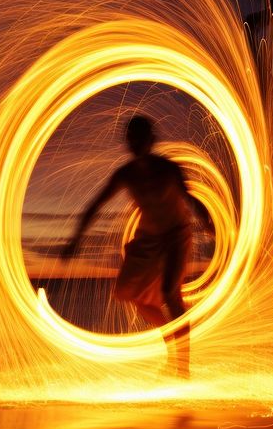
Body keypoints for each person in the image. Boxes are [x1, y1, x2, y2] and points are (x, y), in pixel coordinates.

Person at [60, 115, 212, 378]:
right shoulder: (125, 174)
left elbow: (189, 197)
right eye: (132, 139)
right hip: (147, 238)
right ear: (128, 143)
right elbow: (95, 206)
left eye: (141, 138)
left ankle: (182, 367)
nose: (136, 143)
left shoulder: (168, 168)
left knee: (169, 293)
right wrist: (75, 239)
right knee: (129, 293)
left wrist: (207, 221)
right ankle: (172, 338)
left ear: (151, 141)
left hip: (176, 234)